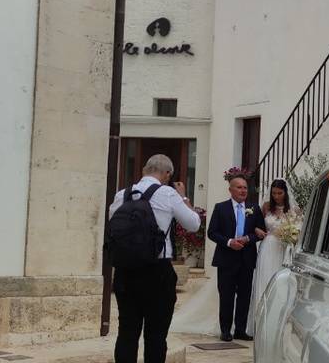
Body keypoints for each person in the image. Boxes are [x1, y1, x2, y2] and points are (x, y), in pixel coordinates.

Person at [108, 154, 200, 363]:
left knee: (127, 332)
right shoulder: (168, 193)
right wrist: (184, 197)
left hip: (126, 271)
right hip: (157, 271)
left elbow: (112, 224)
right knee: (156, 334)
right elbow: (193, 224)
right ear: (167, 174)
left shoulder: (122, 194)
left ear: (144, 169)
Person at [207, 175, 266, 342]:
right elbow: (212, 232)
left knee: (244, 295)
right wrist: (229, 242)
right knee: (226, 295)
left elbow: (260, 232)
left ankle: (240, 329)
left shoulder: (254, 208)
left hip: (247, 258)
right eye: (239, 187)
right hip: (226, 258)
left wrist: (248, 239)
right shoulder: (221, 208)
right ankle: (225, 330)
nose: (243, 190)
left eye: (245, 187)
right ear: (230, 190)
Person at [247, 178, 297, 334]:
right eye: (274, 193)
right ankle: (260, 323)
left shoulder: (294, 210)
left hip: (284, 249)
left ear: (285, 193)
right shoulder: (266, 207)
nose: (276, 196)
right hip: (268, 247)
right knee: (265, 280)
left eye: (280, 193)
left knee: (282, 284)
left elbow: (299, 229)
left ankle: (278, 324)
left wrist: (292, 236)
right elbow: (254, 224)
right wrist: (256, 230)